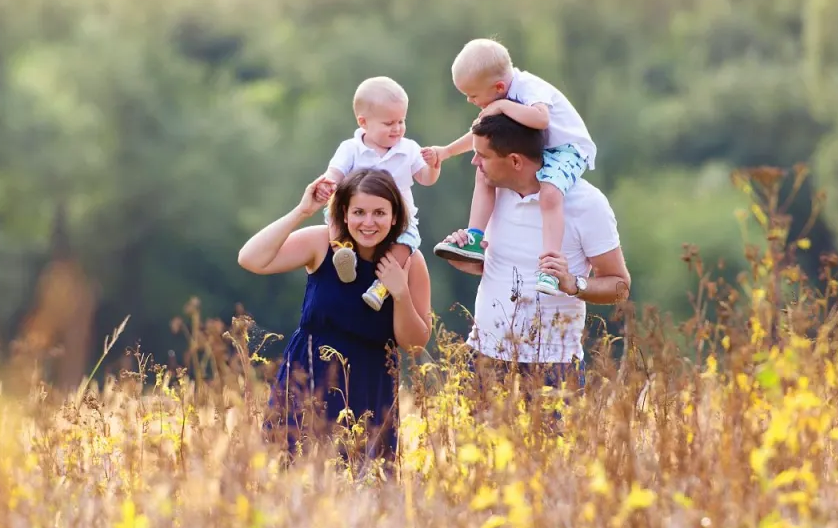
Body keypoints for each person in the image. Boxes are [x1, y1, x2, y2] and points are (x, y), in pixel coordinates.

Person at [238, 168, 433, 462]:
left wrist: (401, 293)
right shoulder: (322, 244)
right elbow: (251, 258)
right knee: (289, 477)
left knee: (364, 487)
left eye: (380, 213)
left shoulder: (409, 261)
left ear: (395, 217)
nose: (369, 223)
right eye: (359, 212)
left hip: (370, 388)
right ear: (343, 213)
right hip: (307, 380)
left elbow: (416, 345)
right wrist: (302, 211)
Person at [438, 111, 629, 393]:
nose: (474, 162)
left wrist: (573, 284)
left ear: (515, 160)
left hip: (554, 367)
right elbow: (496, 269)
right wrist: (464, 257)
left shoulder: (586, 203)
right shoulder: (492, 194)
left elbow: (619, 285)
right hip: (482, 359)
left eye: (483, 155)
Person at [422, 38, 597, 296]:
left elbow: (541, 119)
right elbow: (480, 135)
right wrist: (446, 152)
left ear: (499, 87)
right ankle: (474, 238)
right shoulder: (502, 96)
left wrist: (502, 106)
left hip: (566, 150)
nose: (470, 101)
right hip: (536, 149)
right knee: (483, 172)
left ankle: (549, 266)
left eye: (472, 95)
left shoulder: (528, 89)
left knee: (550, 193)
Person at [319, 76, 440, 312]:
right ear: (363, 122)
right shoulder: (351, 148)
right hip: (355, 213)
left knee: (406, 244)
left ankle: (381, 287)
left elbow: (425, 179)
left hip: (398, 218)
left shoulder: (409, 149)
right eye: (388, 123)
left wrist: (434, 166)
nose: (397, 129)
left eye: (401, 121)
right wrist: (327, 183)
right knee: (332, 214)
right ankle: (343, 254)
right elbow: (334, 172)